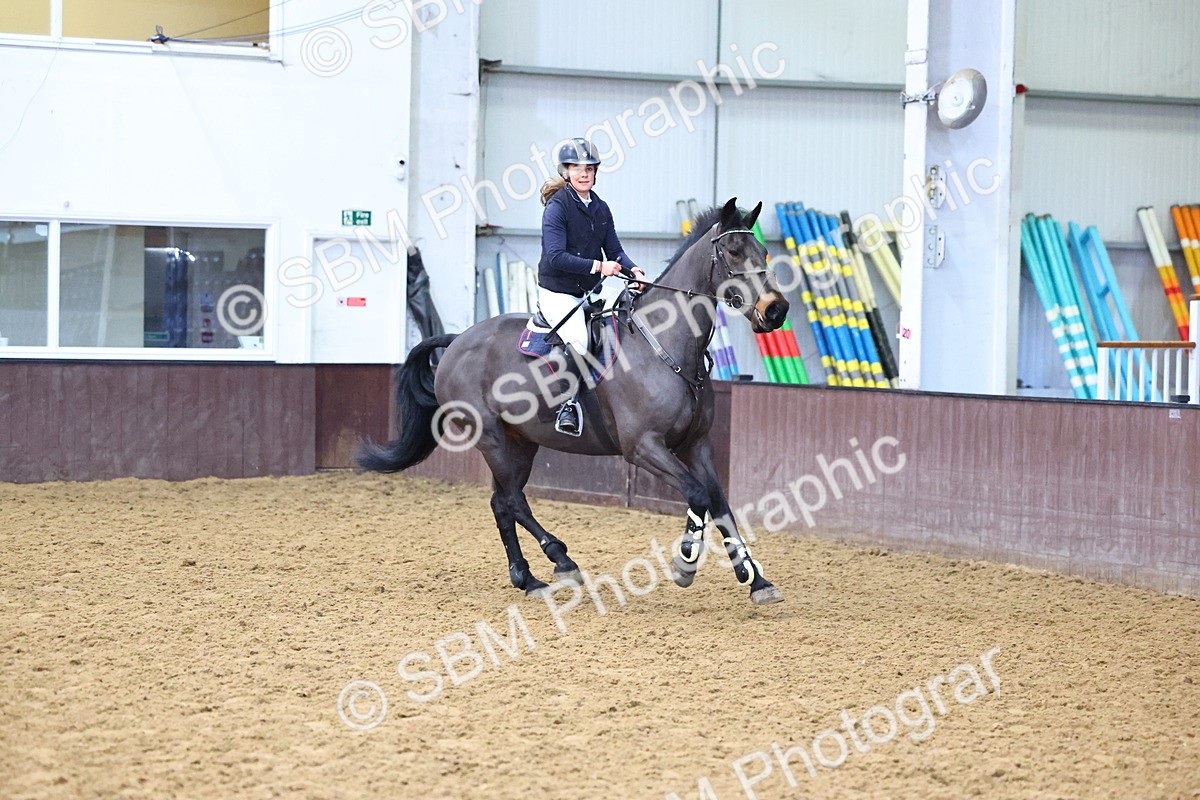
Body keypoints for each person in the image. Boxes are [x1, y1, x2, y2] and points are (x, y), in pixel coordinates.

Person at [537, 137, 646, 436]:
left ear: (595, 172)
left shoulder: (601, 208)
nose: (583, 174)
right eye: (576, 168)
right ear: (566, 172)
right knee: (580, 339)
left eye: (588, 168)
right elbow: (556, 256)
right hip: (558, 292)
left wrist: (634, 270)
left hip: (590, 290)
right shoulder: (557, 207)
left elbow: (615, 251)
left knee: (626, 318)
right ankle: (568, 405)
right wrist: (599, 267)